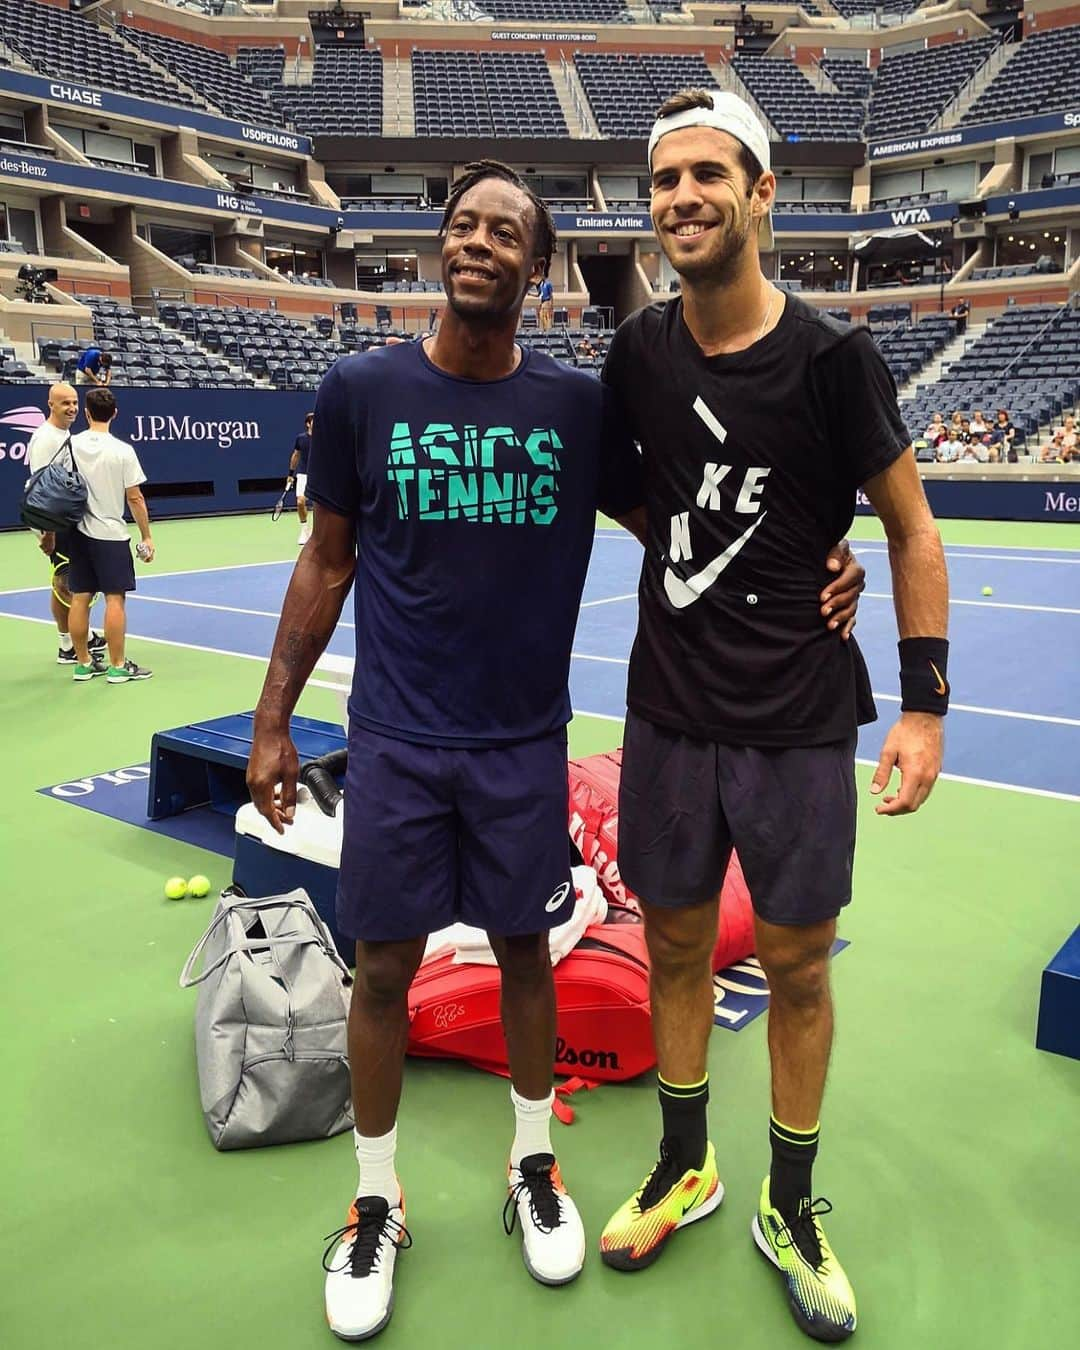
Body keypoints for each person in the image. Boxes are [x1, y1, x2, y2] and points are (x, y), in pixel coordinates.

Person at [245, 159, 866, 1344]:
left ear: (536, 269)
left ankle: (535, 1167)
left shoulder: (574, 409)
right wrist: (274, 721)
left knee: (529, 958)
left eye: (507, 233)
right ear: (441, 249)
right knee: (381, 973)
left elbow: (684, 514)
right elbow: (326, 561)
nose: (481, 243)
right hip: (395, 739)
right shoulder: (362, 388)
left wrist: (817, 557)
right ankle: (375, 1203)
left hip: (522, 745)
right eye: (464, 225)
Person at [596, 90, 948, 1345]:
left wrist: (922, 707)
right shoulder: (637, 353)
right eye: (664, 181)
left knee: (797, 970)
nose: (681, 198)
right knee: (678, 950)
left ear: (761, 194)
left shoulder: (835, 358)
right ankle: (684, 1163)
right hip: (673, 713)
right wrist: (753, 544)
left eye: (708, 175)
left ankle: (788, 1204)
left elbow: (910, 528)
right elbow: (634, 496)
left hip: (800, 720)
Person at [65, 387, 154, 683]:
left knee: (80, 597)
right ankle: (117, 666)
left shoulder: (70, 445)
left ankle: (83, 663)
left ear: (87, 413)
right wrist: (147, 536)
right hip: (110, 535)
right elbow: (135, 498)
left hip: (76, 533)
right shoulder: (122, 450)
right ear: (115, 413)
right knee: (114, 599)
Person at [27, 382, 107, 665]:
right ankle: (71, 646)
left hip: (64, 519)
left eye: (74, 402)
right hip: (55, 521)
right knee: (65, 583)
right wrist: (47, 533)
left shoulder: (63, 433)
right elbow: (43, 489)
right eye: (65, 403)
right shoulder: (46, 438)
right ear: (51, 405)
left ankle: (73, 641)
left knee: (65, 581)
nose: (72, 408)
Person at [288, 411, 314, 546]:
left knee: (320, 506)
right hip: (303, 474)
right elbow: (295, 456)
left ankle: (318, 533)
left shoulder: (324, 438)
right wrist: (290, 475)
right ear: (308, 424)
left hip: (319, 475)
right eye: (313, 421)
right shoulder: (301, 438)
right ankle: (304, 529)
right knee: (300, 502)